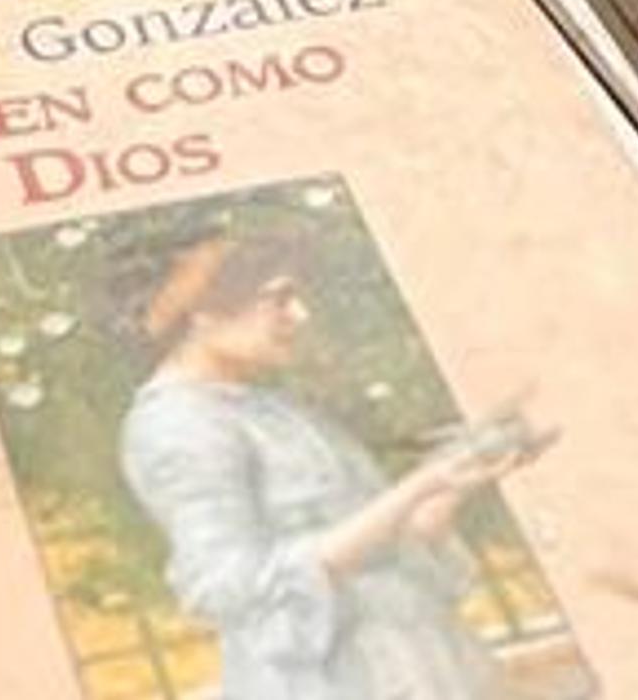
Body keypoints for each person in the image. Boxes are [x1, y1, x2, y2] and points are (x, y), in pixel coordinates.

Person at [114, 229, 541, 700]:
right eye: (278, 298)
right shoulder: (177, 425)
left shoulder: (274, 408)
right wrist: (417, 487)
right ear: (206, 311)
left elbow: (386, 545)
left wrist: (456, 477)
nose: (299, 314)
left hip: (423, 664)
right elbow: (226, 585)